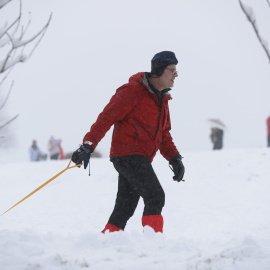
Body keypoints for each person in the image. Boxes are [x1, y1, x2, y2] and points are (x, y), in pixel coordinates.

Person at [71, 51, 185, 234]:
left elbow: (164, 134)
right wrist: (88, 144)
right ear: (159, 71)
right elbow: (106, 117)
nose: (176, 75)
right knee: (155, 196)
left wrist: (174, 158)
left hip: (140, 158)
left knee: (125, 207)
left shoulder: (162, 99)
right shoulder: (132, 91)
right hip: (128, 155)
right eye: (172, 70)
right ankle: (153, 243)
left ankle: (107, 241)